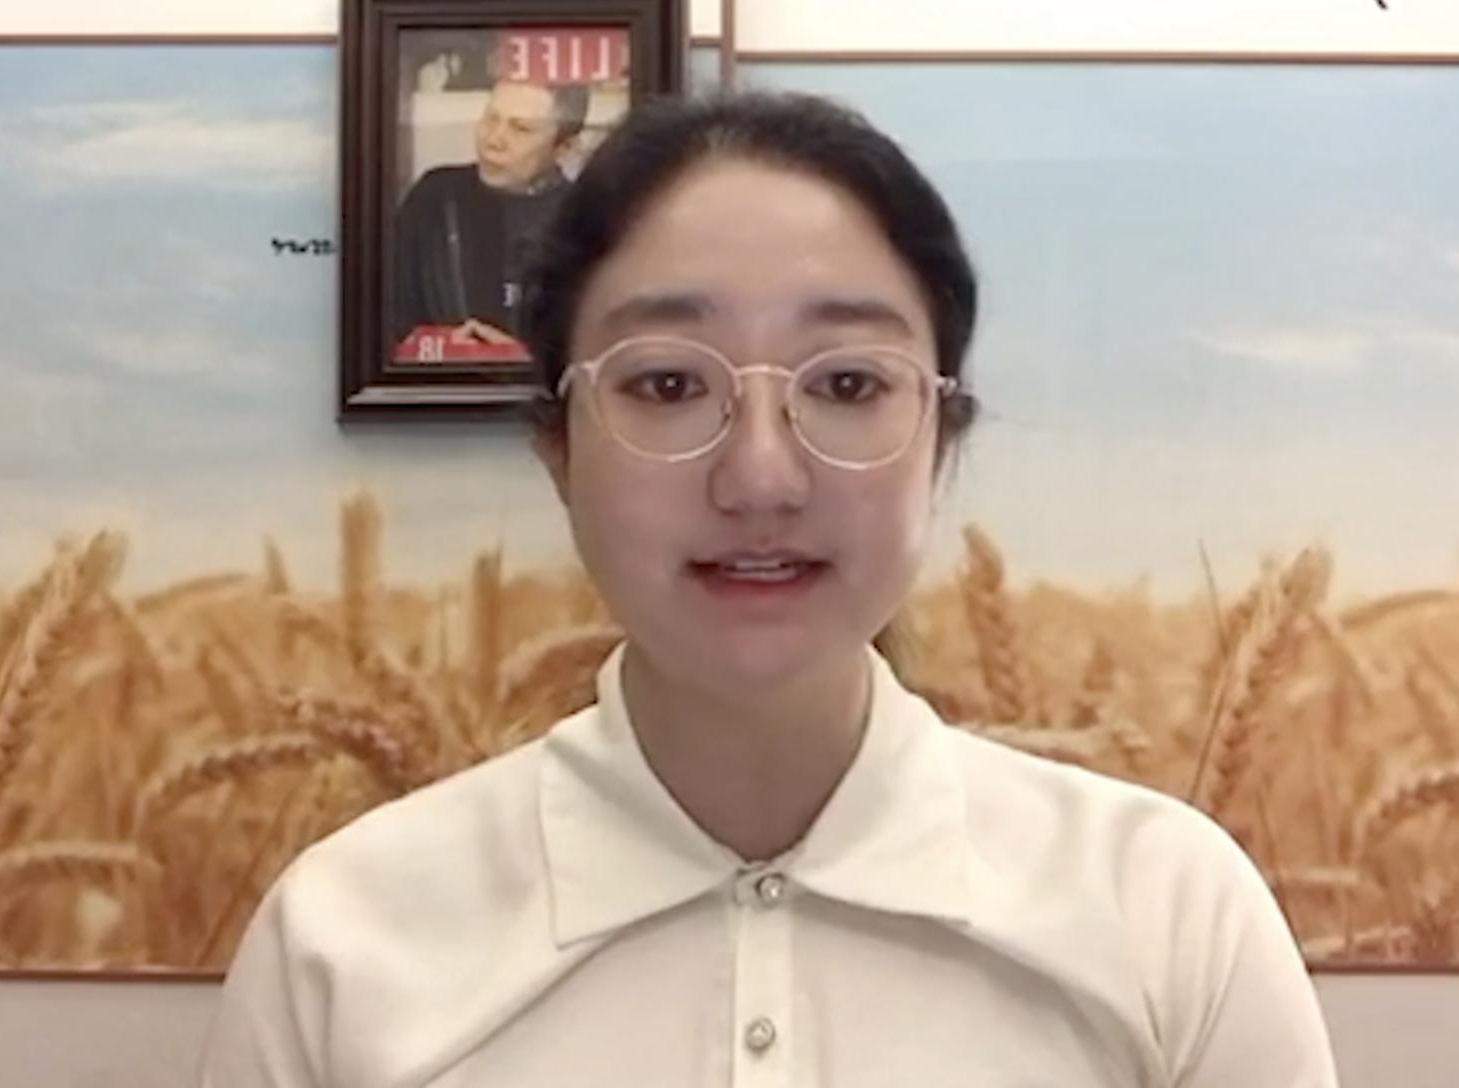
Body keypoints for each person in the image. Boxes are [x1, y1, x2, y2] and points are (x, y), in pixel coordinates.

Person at [194, 88, 1342, 1088]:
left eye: (846, 380)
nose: (759, 475)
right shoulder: (343, 939)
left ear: (941, 440)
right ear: (559, 449)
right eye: (665, 382)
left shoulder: (1169, 912)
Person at [388, 76, 592, 352]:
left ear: (564, 148)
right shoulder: (436, 197)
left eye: (520, 129)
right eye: (490, 118)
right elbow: (383, 314)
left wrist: (519, 359)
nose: (493, 140)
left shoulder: (585, 218)